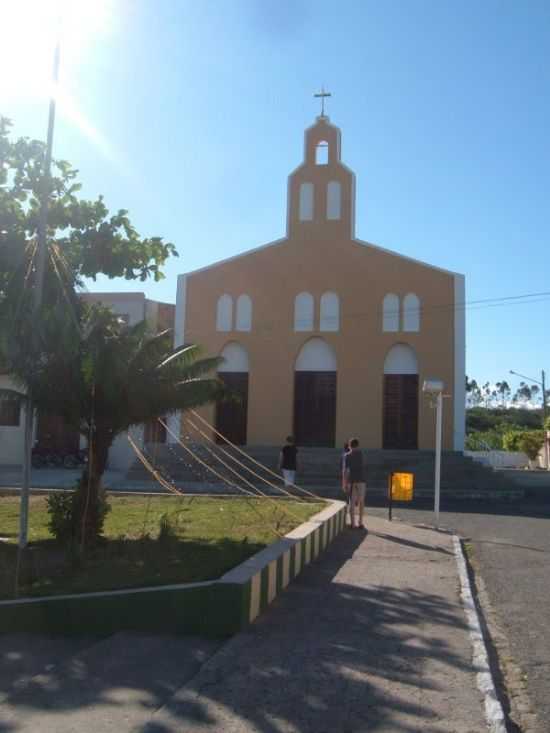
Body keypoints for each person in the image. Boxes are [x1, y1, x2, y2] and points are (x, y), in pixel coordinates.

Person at [344, 438, 366, 529]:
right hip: (361, 479)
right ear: (358, 445)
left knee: (352, 502)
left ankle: (353, 524)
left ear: (349, 445)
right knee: (361, 502)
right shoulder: (361, 454)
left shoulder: (347, 456)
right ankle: (360, 522)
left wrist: (345, 482)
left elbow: (347, 470)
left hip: (352, 481)